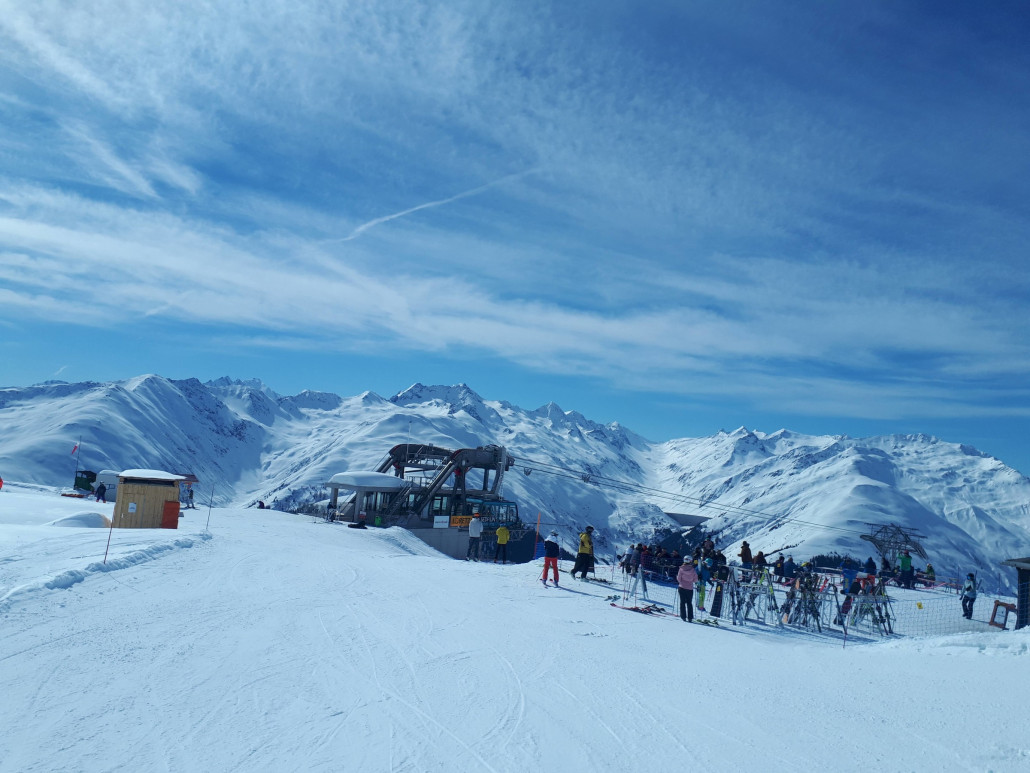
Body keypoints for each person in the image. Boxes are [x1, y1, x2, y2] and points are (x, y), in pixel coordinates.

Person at [677, 557, 699, 622]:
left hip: (682, 587)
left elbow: (678, 578)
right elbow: (695, 579)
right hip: (689, 588)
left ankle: (683, 616)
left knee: (682, 602)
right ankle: (690, 617)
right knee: (689, 603)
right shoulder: (693, 570)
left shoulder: (681, 569)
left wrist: (681, 582)